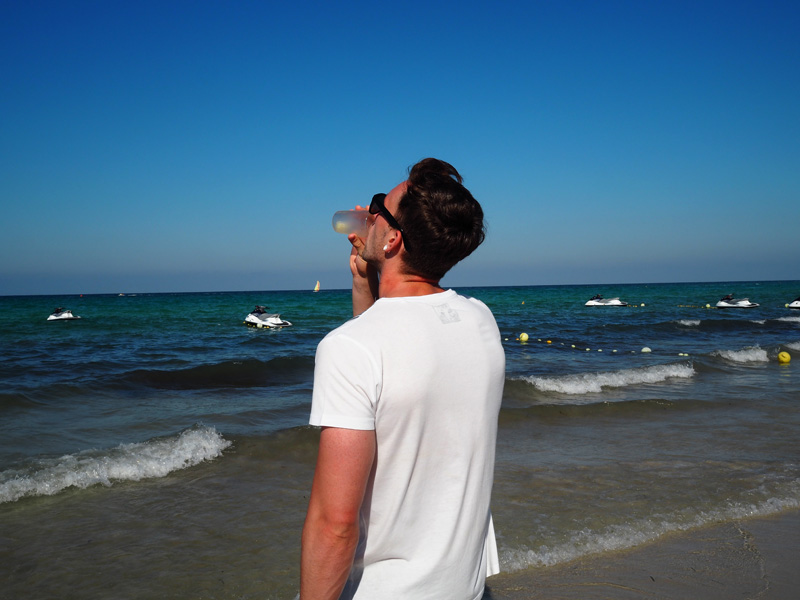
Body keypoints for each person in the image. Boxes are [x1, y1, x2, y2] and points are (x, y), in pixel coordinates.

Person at [301, 158, 505, 600]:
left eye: (378, 205)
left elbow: (335, 525)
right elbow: (398, 349)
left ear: (393, 239)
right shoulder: (481, 321)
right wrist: (365, 279)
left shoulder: (348, 348)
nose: (367, 213)